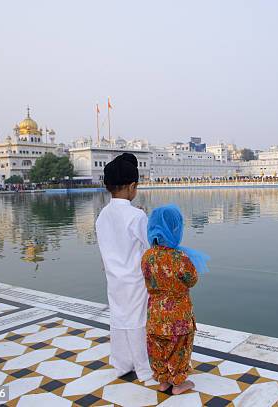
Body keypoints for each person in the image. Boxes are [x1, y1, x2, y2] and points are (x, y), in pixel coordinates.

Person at [95, 153, 152, 381]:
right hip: (135, 279)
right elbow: (149, 247)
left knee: (119, 319)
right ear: (132, 186)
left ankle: (121, 364)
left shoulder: (102, 215)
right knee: (138, 322)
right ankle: (145, 369)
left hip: (114, 278)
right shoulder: (136, 215)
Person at [142, 204, 209, 395]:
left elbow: (147, 277)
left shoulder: (147, 256)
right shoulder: (180, 257)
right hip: (178, 317)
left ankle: (163, 381)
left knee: (158, 348)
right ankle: (178, 384)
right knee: (179, 348)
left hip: (155, 315)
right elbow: (192, 280)